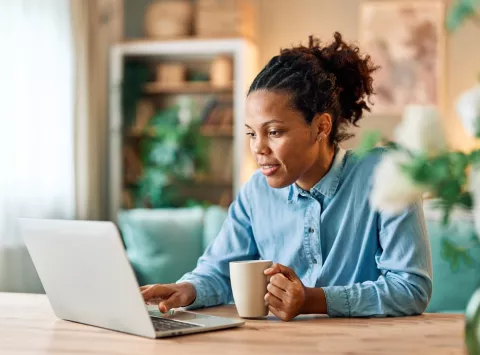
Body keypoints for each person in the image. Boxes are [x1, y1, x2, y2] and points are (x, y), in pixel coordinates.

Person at [141, 32, 432, 321]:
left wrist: (314, 299)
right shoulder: (256, 192)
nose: (258, 148)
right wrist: (187, 289)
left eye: (274, 132)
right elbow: (218, 273)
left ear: (321, 127)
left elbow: (411, 287)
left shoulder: (386, 175)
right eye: (252, 133)